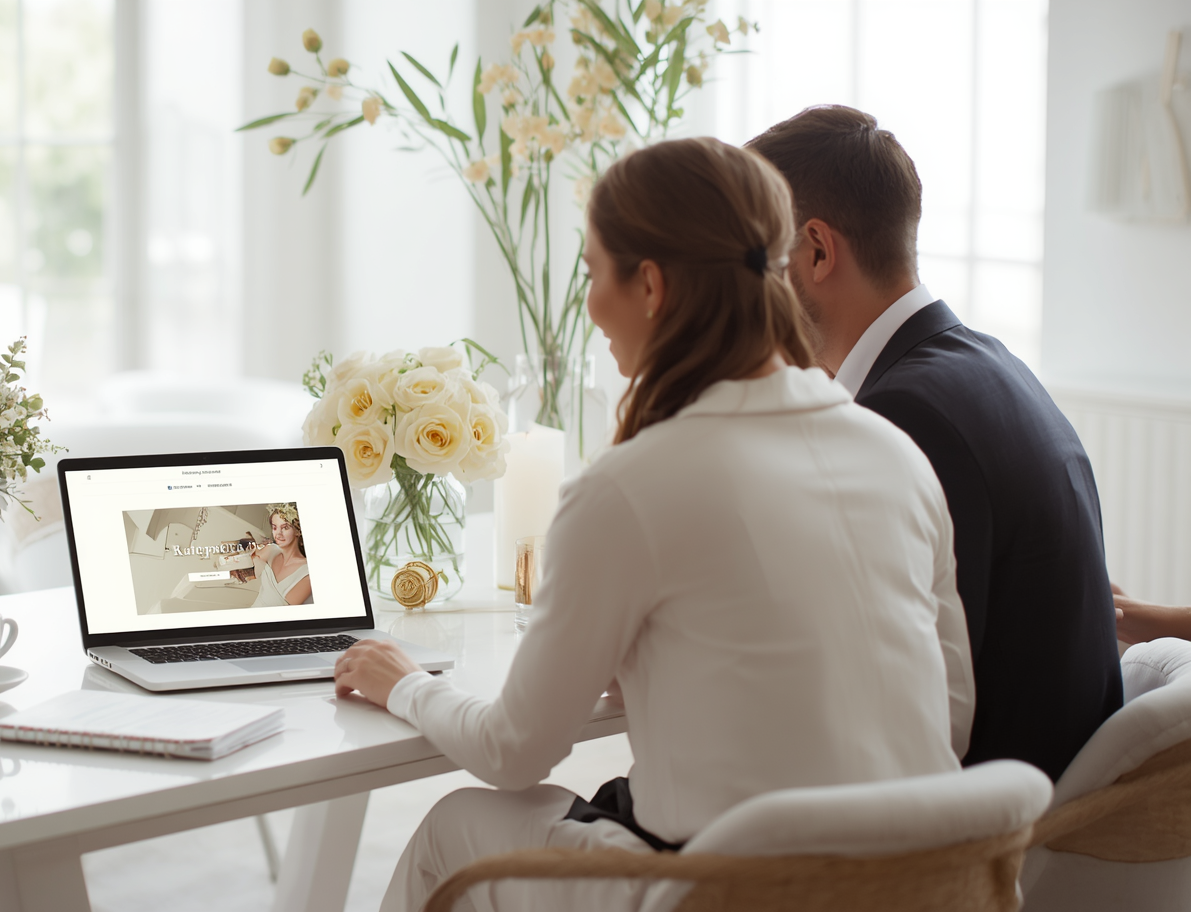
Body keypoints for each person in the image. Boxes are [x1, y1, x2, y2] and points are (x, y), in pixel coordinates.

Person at [334, 137, 975, 912]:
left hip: (721, 895)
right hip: (913, 888)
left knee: (459, 824)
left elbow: (514, 751)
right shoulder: (896, 454)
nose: (592, 306)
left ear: (649, 285)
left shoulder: (630, 487)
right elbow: (951, 714)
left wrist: (405, 684)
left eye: (595, 273)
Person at [745, 105, 1121, 781]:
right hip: (1041, 786)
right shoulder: (988, 362)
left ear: (818, 251)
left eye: (754, 260)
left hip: (973, 829)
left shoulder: (902, 414)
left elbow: (892, 695)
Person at [248, 503, 312, 607]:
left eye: (285, 528)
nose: (278, 534)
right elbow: (247, 560)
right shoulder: (271, 550)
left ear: (298, 531)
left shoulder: (306, 574)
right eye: (274, 527)